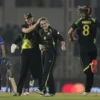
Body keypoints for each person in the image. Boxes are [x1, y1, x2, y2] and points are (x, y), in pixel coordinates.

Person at [68, 6, 100, 95]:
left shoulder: (79, 21)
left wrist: (71, 39)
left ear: (83, 12)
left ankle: (87, 89)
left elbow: (69, 32)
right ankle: (87, 90)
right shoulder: (94, 20)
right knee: (91, 73)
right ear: (90, 13)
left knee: (86, 71)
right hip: (93, 49)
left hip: (84, 49)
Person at [11, 12, 43, 96]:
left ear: (32, 18)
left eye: (29, 18)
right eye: (26, 18)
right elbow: (26, 31)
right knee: (23, 72)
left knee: (39, 71)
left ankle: (42, 89)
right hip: (25, 52)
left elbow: (42, 35)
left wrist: (42, 44)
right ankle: (18, 91)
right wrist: (14, 44)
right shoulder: (24, 26)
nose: (28, 20)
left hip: (35, 52)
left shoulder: (38, 27)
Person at [34, 18, 66, 96]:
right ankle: (52, 91)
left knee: (46, 72)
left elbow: (61, 39)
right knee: (48, 73)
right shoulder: (40, 32)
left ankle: (42, 88)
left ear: (47, 23)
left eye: (44, 23)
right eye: (41, 24)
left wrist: (63, 46)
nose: (43, 25)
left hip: (51, 53)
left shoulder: (53, 31)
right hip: (44, 53)